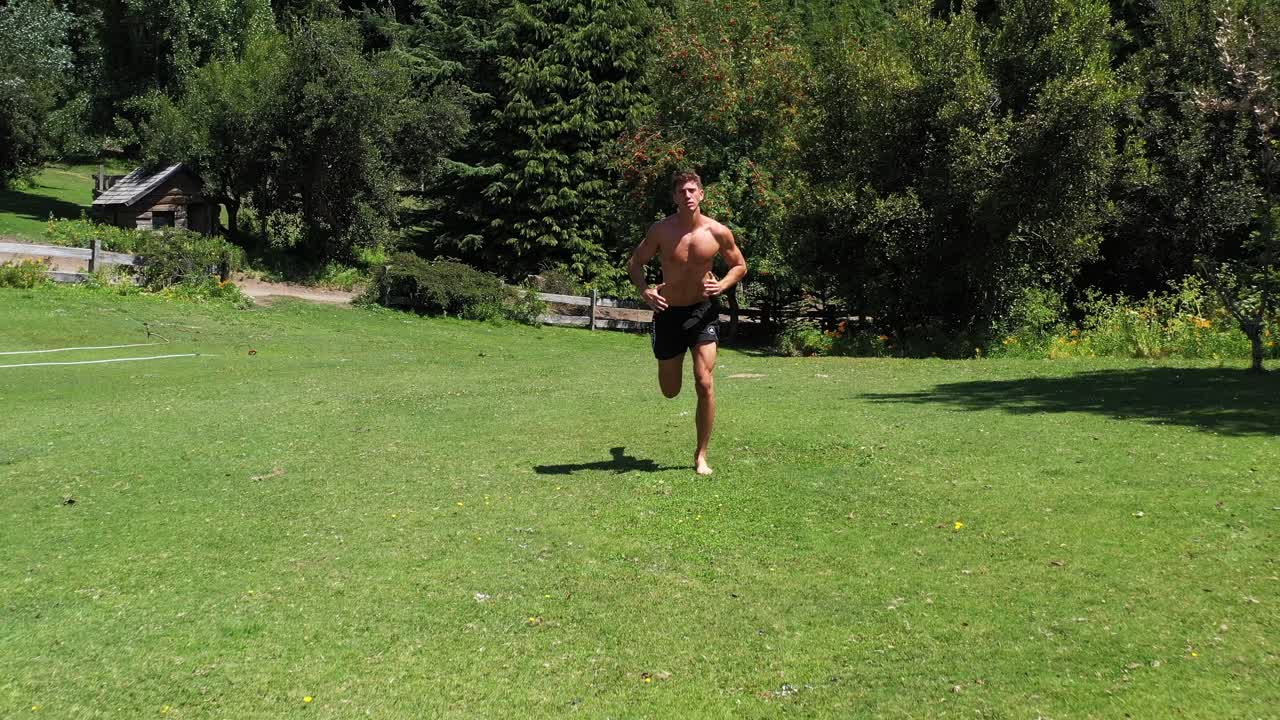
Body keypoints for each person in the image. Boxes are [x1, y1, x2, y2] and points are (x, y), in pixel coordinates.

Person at [628, 170, 747, 476]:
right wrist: (645, 291)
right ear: (674, 197)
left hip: (702, 311)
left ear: (702, 195)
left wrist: (721, 285)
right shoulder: (661, 230)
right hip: (668, 314)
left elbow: (739, 265)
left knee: (704, 382)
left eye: (692, 190)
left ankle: (701, 455)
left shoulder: (718, 232)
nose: (688, 195)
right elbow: (635, 263)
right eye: (682, 191)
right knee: (670, 390)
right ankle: (664, 350)